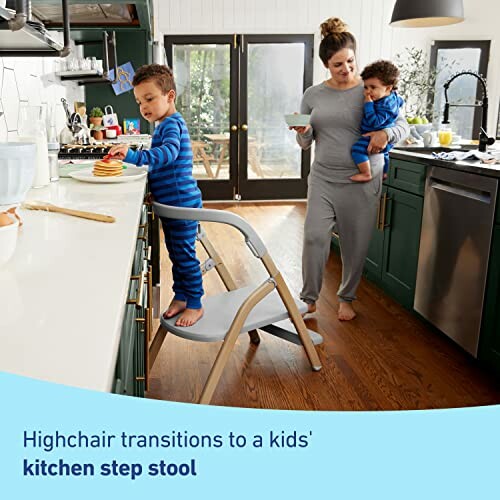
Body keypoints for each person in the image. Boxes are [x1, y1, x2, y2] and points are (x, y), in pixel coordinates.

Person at [290, 17, 408, 321]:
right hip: (324, 178)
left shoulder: (371, 88)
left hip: (363, 181)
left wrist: (386, 134)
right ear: (326, 65)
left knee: (355, 244)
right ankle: (310, 299)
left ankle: (347, 298)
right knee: (315, 236)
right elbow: (305, 143)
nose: (347, 69)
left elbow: (403, 125)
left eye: (351, 61)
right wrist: (301, 131)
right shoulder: (312, 95)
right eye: (338, 64)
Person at [109, 64, 204, 327]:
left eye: (149, 99)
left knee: (185, 255)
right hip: (172, 203)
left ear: (170, 96)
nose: (144, 106)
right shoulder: (163, 124)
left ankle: (195, 303)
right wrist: (155, 192)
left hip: (182, 204)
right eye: (140, 101)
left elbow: (167, 155)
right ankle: (182, 295)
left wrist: (133, 156)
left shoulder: (172, 124)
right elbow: (165, 170)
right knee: (176, 253)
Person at [350, 60, 404, 182]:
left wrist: (368, 105)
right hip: (384, 140)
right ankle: (385, 173)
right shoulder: (393, 98)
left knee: (357, 150)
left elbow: (375, 122)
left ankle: (366, 173)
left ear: (388, 88)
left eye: (373, 87)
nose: (368, 91)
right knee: (385, 155)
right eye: (366, 87)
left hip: (372, 137)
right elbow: (401, 102)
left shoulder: (384, 105)